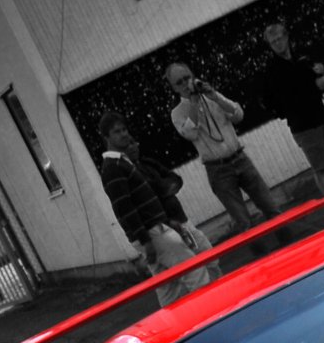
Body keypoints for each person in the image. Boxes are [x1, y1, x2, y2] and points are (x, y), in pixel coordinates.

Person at [97, 112, 217, 306]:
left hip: (156, 228)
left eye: (124, 129)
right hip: (152, 233)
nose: (124, 135)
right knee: (194, 271)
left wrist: (167, 222)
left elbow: (145, 199)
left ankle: (174, 329)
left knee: (168, 287)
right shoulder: (112, 167)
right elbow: (124, 208)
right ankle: (213, 313)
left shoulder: (123, 162)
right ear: (107, 138)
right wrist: (146, 240)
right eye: (117, 132)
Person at [166, 62, 281, 244]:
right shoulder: (177, 113)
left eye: (187, 78)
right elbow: (190, 133)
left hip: (240, 158)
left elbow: (238, 115)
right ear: (174, 88)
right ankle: (263, 263)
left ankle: (293, 244)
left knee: (270, 206)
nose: (185, 84)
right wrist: (194, 104)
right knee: (244, 222)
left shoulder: (211, 95)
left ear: (193, 75)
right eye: (179, 82)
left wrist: (214, 96)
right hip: (218, 170)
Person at [257, 21, 324, 199]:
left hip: (322, 117)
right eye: (273, 42)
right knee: (321, 168)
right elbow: (267, 101)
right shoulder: (273, 71)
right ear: (270, 45)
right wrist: (286, 112)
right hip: (304, 126)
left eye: (280, 38)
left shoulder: (303, 59)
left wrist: (322, 75)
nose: (278, 43)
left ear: (287, 36)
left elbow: (320, 84)